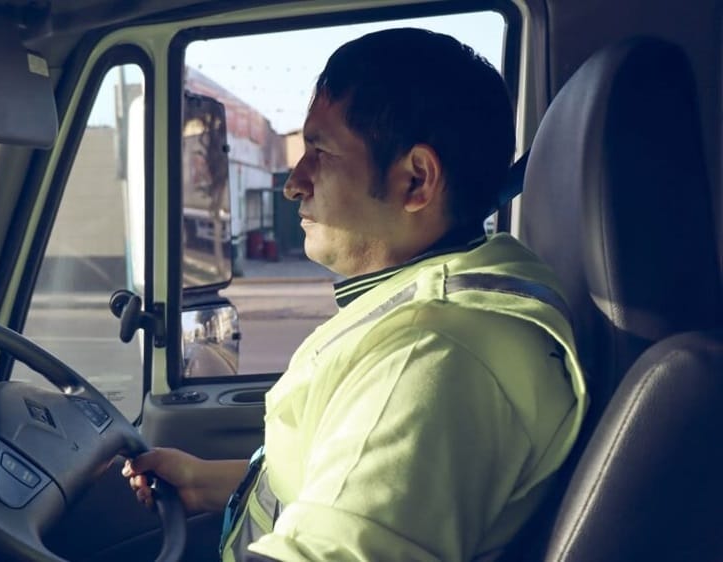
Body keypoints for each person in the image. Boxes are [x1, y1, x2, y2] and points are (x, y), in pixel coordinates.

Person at [123, 28, 588, 561]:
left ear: (416, 180)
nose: (293, 182)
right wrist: (210, 482)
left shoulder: (432, 358)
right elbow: (353, 494)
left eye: (319, 151)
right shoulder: (433, 307)